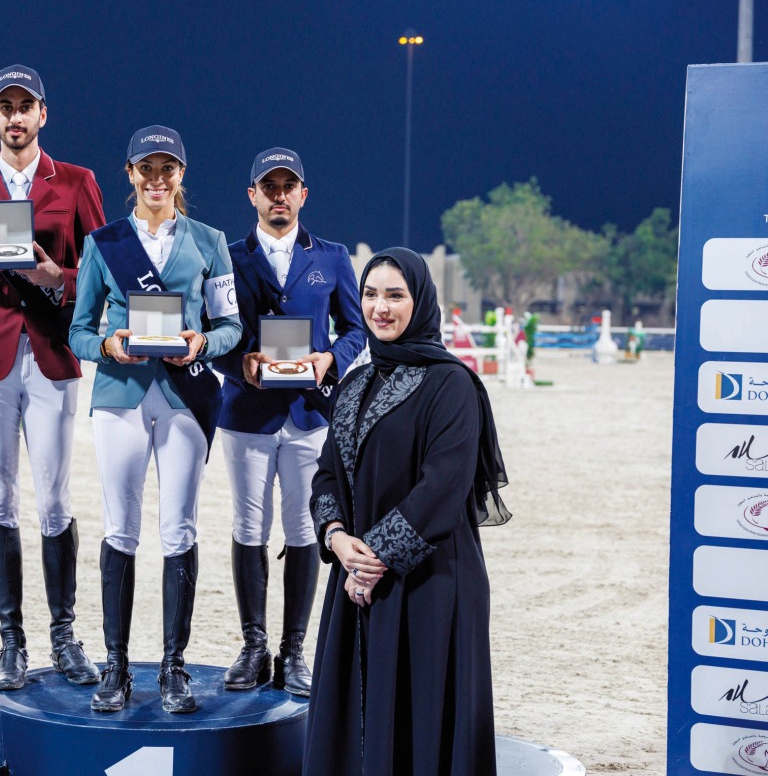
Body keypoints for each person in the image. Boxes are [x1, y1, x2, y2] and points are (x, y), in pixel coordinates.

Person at [0, 64, 106, 692]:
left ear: (42, 115)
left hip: (54, 354)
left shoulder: (78, 182)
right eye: (4, 107)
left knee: (55, 499)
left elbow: (101, 272)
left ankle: (64, 634)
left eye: (24, 107)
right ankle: (12, 642)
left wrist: (53, 276)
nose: (14, 118)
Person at [304, 248, 510, 776]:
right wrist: (335, 538)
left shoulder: (453, 385)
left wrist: (373, 559)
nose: (381, 307)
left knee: (423, 722)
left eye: (395, 295)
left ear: (419, 302)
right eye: (371, 295)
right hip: (355, 580)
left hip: (430, 583)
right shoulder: (353, 384)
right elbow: (327, 473)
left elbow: (443, 488)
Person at [69, 125, 242, 714]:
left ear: (182, 176)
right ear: (130, 175)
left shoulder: (211, 242)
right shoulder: (104, 242)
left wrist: (203, 344)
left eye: (168, 169)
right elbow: (78, 331)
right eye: (147, 169)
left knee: (180, 530)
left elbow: (231, 326)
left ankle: (173, 666)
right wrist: (110, 346)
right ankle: (115, 667)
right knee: (121, 529)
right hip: (120, 393)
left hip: (185, 397)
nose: (158, 179)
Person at [212, 148, 365, 697]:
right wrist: (238, 362)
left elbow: (356, 330)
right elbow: (214, 332)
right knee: (248, 526)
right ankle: (254, 646)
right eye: (268, 186)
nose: (279, 195)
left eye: (288, 186)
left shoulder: (333, 256)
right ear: (252, 195)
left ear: (303, 194)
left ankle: (294, 650)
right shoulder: (225, 257)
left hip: (308, 414)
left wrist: (331, 361)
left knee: (303, 529)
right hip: (247, 413)